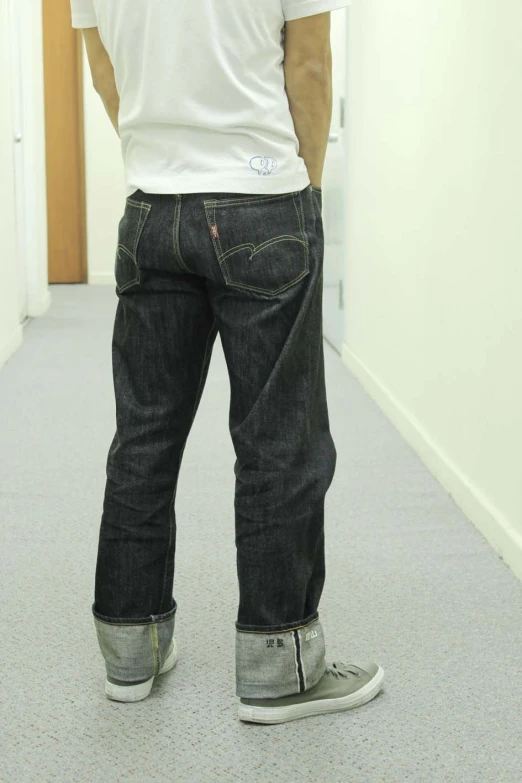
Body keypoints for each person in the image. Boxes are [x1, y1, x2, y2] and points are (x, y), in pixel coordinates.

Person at [71, 0, 384, 724]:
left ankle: (130, 650)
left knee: (144, 437)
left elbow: (105, 75)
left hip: (152, 209)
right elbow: (307, 64)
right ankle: (281, 668)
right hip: (263, 200)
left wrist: (167, 161)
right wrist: (301, 189)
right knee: (280, 438)